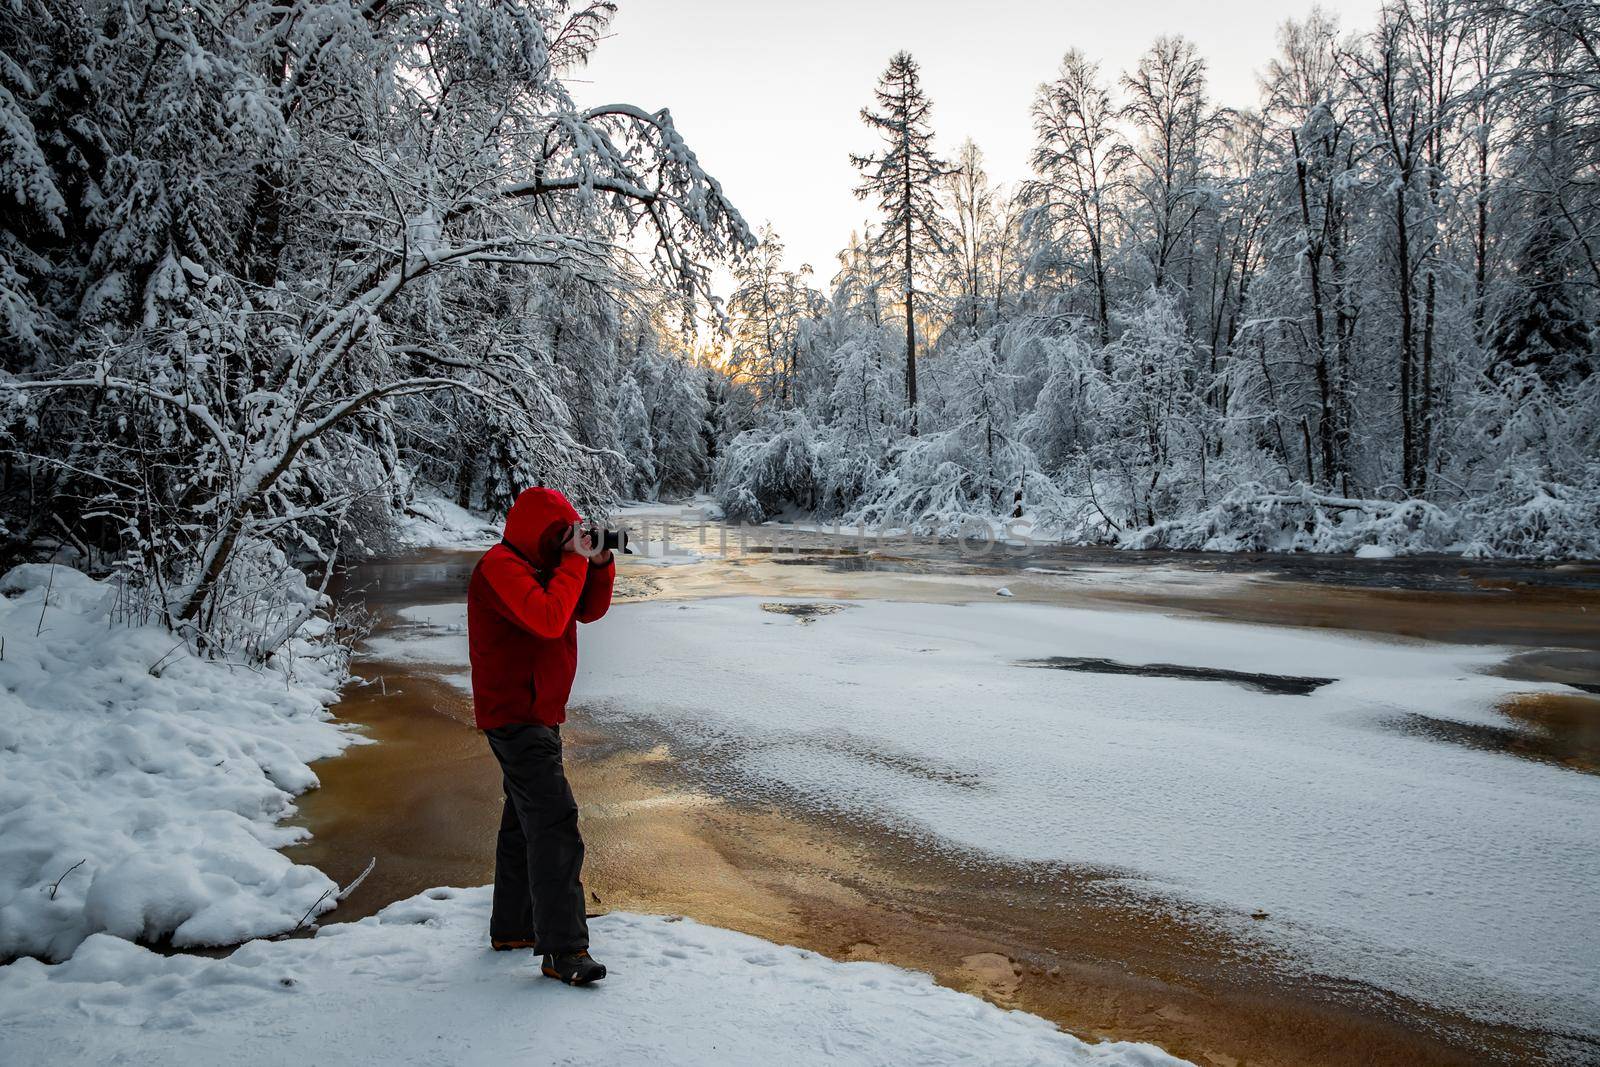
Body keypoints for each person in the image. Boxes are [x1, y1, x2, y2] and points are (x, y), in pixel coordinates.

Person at [466, 486, 615, 986]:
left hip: (541, 711)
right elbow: (550, 620)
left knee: (522, 822)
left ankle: (514, 927)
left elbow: (588, 610)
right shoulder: (500, 567)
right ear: (539, 536)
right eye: (558, 539)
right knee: (553, 823)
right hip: (513, 715)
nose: (563, 546)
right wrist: (573, 559)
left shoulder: (545, 565)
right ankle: (564, 950)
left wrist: (598, 565)